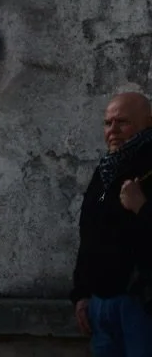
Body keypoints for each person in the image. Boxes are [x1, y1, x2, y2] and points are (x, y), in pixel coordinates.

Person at [72, 88, 152, 356]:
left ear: (148, 123)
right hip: (101, 305)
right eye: (108, 123)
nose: (113, 130)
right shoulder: (106, 170)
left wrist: (142, 207)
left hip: (142, 305)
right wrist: (82, 294)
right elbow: (90, 233)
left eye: (123, 122)